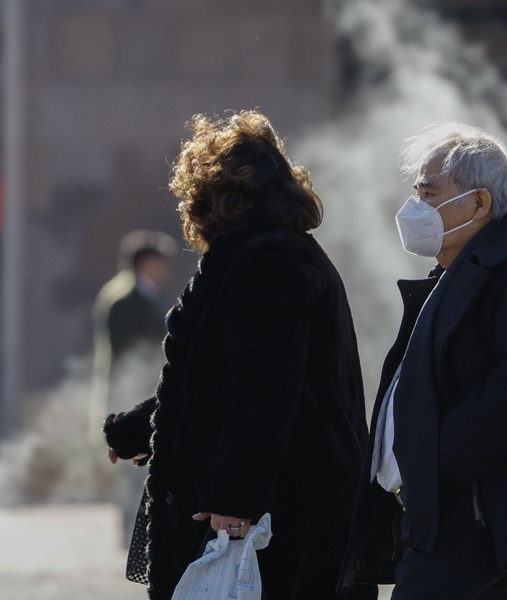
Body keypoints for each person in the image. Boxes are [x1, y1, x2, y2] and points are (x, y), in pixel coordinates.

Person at [102, 110, 374, 600]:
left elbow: (263, 390)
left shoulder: (266, 261)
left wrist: (236, 498)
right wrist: (137, 430)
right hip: (286, 497)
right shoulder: (269, 253)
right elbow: (212, 378)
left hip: (277, 510)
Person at [339, 123, 507, 600]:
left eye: (430, 193)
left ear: (479, 203)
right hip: (436, 518)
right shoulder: (449, 276)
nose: (415, 207)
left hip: (478, 523)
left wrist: (431, 463)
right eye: (416, 192)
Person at [90, 229, 176, 546]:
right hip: (134, 393)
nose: (165, 269)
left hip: (142, 391)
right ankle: (132, 532)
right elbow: (131, 352)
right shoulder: (125, 299)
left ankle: (135, 530)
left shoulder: (141, 295)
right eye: (160, 262)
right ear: (146, 263)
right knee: (133, 470)